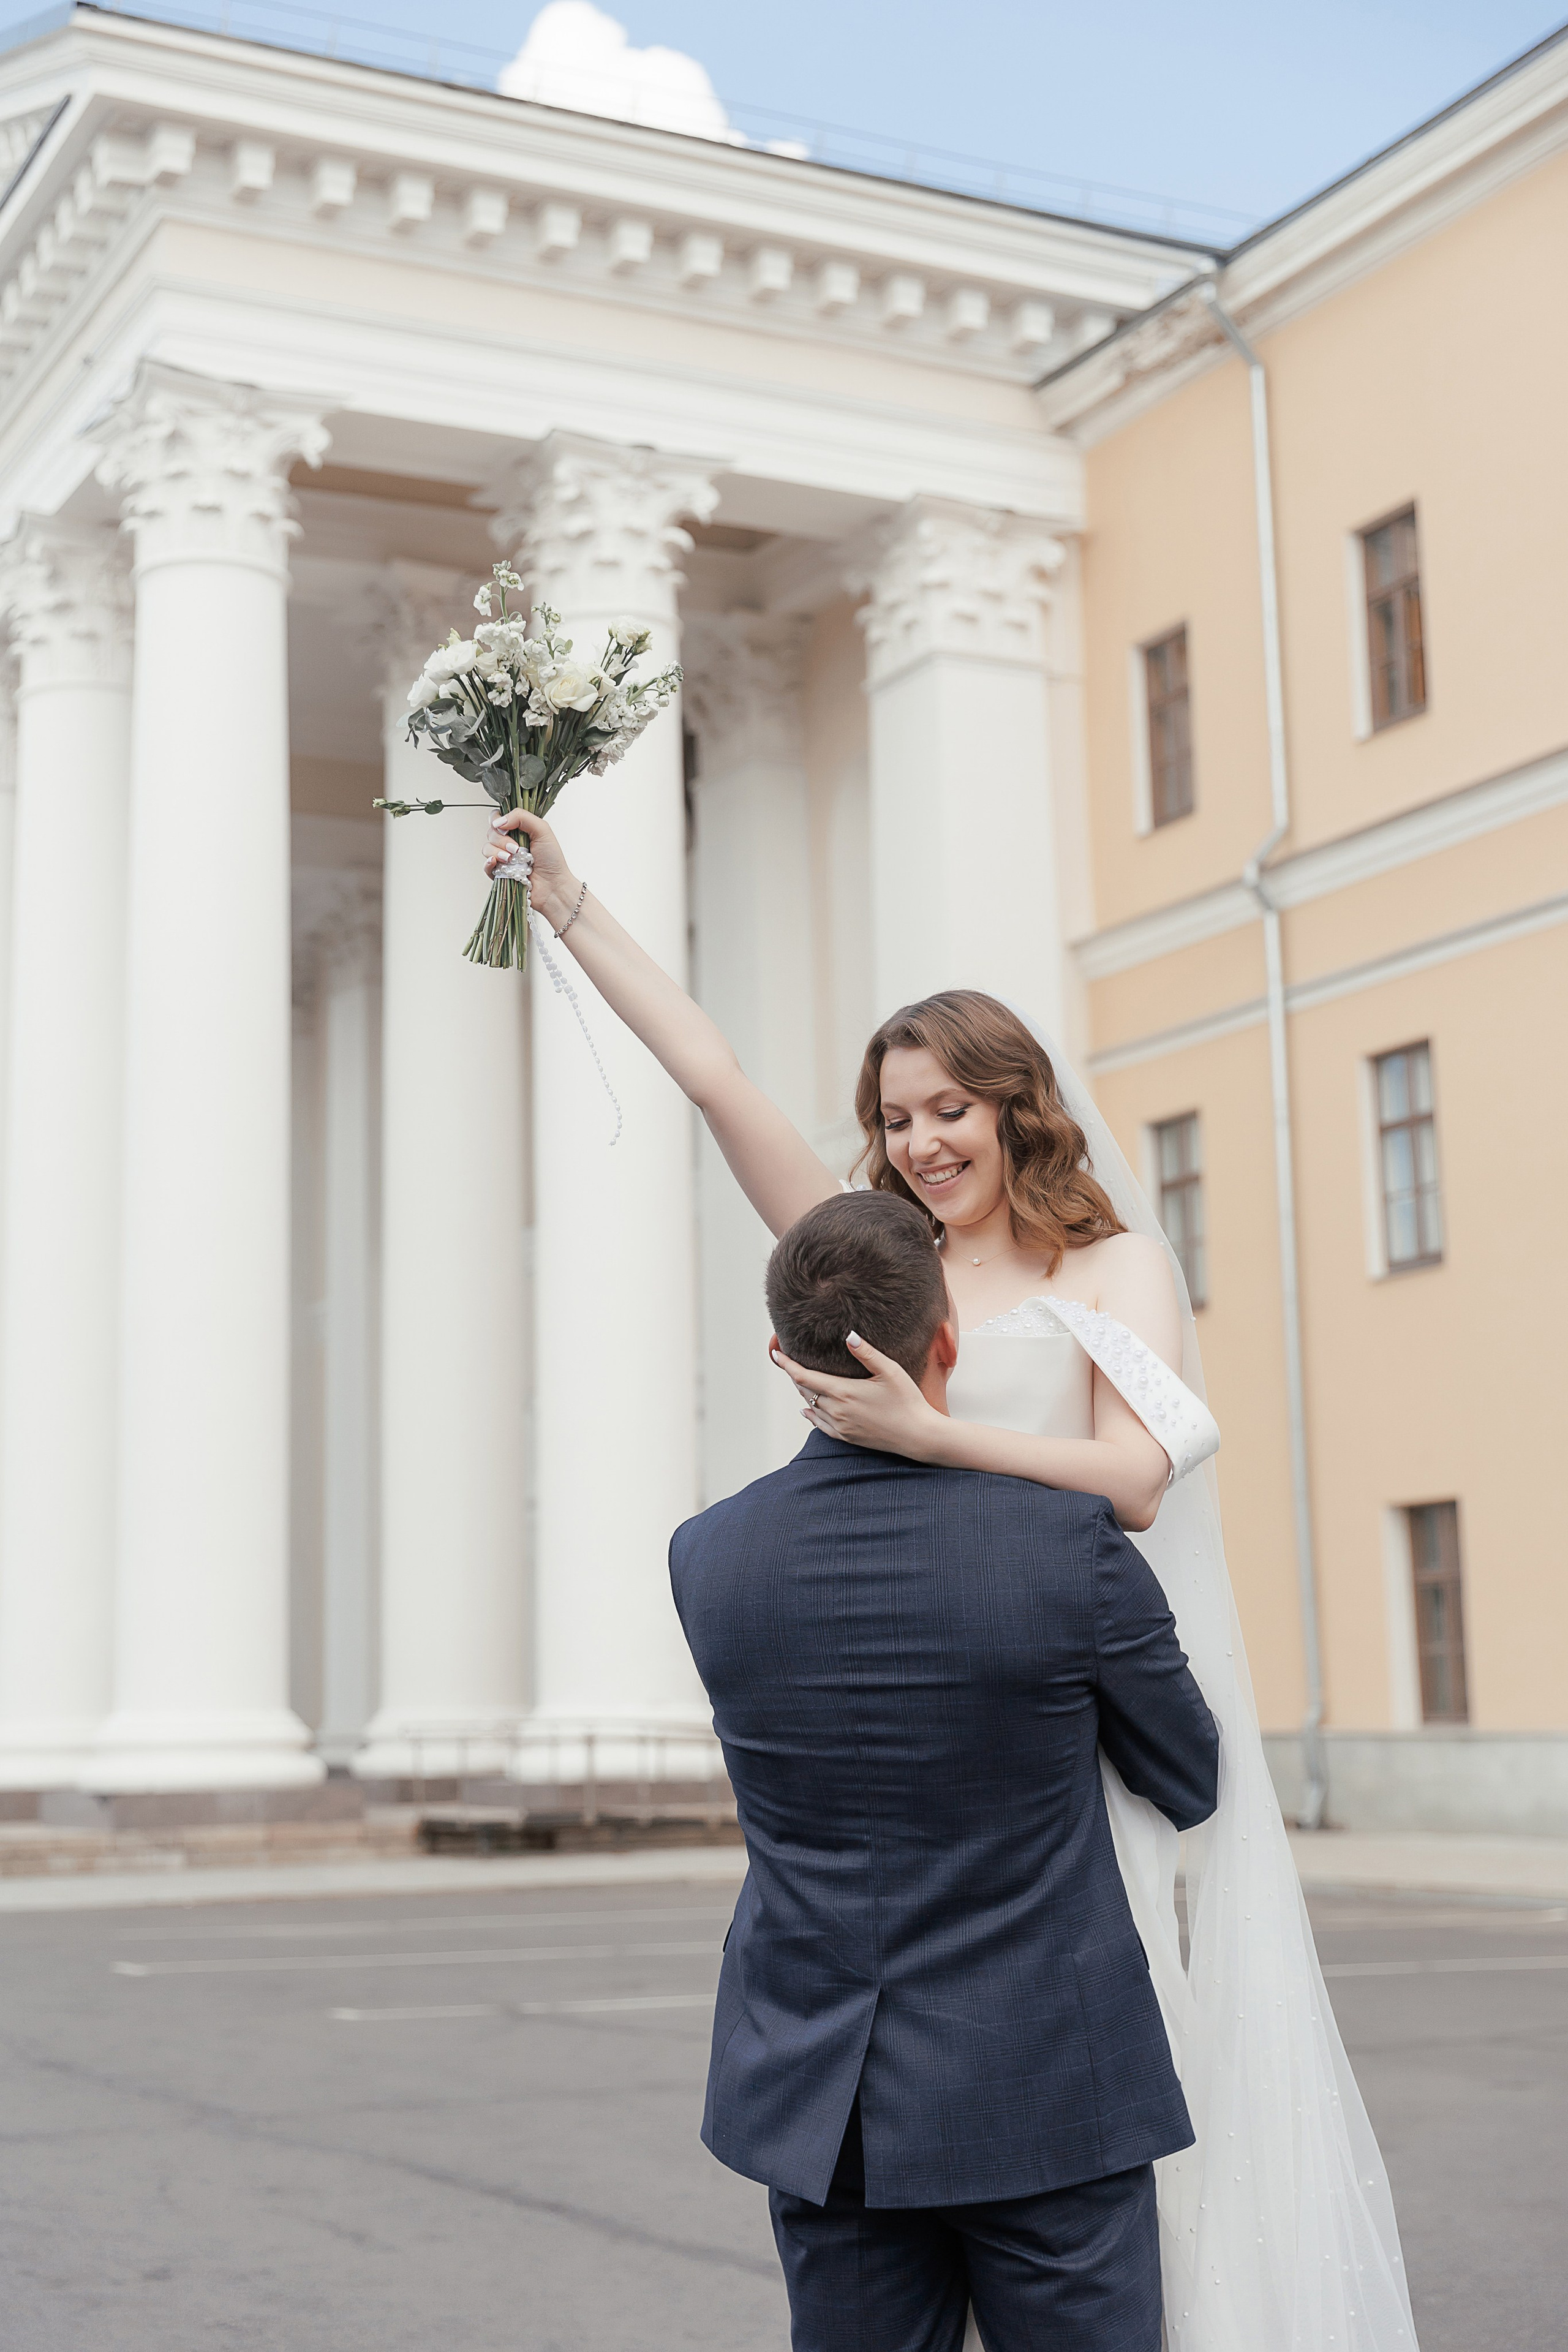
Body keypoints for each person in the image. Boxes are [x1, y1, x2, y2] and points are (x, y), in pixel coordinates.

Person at [484, 809, 1420, 2351]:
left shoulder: (1110, 1267)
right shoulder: (878, 1255)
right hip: (918, 1683)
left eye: (948, 1111)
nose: (919, 1143)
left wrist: (933, 1433)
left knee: (1104, 2130)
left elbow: (1134, 1477)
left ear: (1014, 1110)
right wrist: (573, 905)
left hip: (1064, 1700)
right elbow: (714, 1078)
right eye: (894, 1116)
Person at [670, 1188, 1222, 2350]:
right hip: (1048, 2083)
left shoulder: (708, 1555)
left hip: (826, 2095)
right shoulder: (1064, 1541)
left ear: (783, 1355)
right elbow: (1188, 1771)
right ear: (949, 1341)